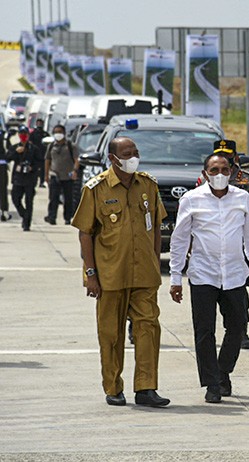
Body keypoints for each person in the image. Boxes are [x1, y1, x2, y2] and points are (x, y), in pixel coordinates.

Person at [71, 136, 170, 408]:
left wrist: (154, 261)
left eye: (135, 151)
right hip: (110, 275)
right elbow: (85, 234)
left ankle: (146, 388)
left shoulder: (148, 185)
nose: (133, 157)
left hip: (144, 275)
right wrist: (91, 274)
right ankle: (113, 387)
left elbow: (156, 226)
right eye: (127, 153)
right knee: (111, 334)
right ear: (113, 158)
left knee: (148, 329)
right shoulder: (96, 188)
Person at [169, 153, 249, 403]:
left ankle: (223, 371)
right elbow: (180, 240)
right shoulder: (191, 199)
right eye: (214, 170)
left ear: (231, 172)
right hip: (203, 274)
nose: (219, 174)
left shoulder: (242, 197)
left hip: (235, 274)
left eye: (224, 169)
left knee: (238, 326)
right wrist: (176, 277)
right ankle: (212, 383)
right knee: (204, 331)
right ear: (205, 174)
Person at [203, 139, 249, 350]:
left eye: (228, 156)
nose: (223, 160)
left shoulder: (246, 180)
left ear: (235, 158)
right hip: (212, 246)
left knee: (238, 290)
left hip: (240, 245)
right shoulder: (204, 179)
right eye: (219, 155)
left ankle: (241, 331)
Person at [7, 125, 42, 231]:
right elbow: (8, 158)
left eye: (25, 134)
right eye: (21, 134)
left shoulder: (34, 149)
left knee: (29, 201)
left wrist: (32, 168)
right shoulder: (15, 147)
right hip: (18, 178)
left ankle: (27, 223)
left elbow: (40, 162)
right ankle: (24, 215)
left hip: (30, 178)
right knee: (15, 199)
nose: (23, 136)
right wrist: (16, 152)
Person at [44, 124, 80, 225]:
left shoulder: (71, 146)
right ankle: (52, 217)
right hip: (55, 175)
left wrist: (75, 171)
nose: (58, 134)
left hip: (68, 176)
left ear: (64, 133)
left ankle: (67, 217)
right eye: (56, 132)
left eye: (60, 132)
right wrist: (46, 175)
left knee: (68, 198)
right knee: (53, 198)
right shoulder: (51, 146)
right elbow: (47, 160)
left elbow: (77, 160)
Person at [29, 119, 49, 188]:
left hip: (43, 154)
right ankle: (33, 182)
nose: (39, 124)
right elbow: (30, 143)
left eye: (41, 123)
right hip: (35, 154)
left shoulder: (45, 134)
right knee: (35, 168)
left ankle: (42, 182)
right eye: (38, 123)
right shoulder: (33, 134)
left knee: (43, 169)